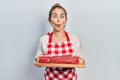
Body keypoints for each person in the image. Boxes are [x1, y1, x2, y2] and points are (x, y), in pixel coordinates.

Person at [35, 3, 85, 80]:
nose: (58, 20)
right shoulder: (44, 39)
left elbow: (81, 60)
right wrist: (39, 59)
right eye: (55, 16)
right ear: (49, 20)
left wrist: (78, 60)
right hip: (50, 77)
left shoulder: (74, 39)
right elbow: (38, 62)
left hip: (70, 78)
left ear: (65, 20)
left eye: (62, 16)